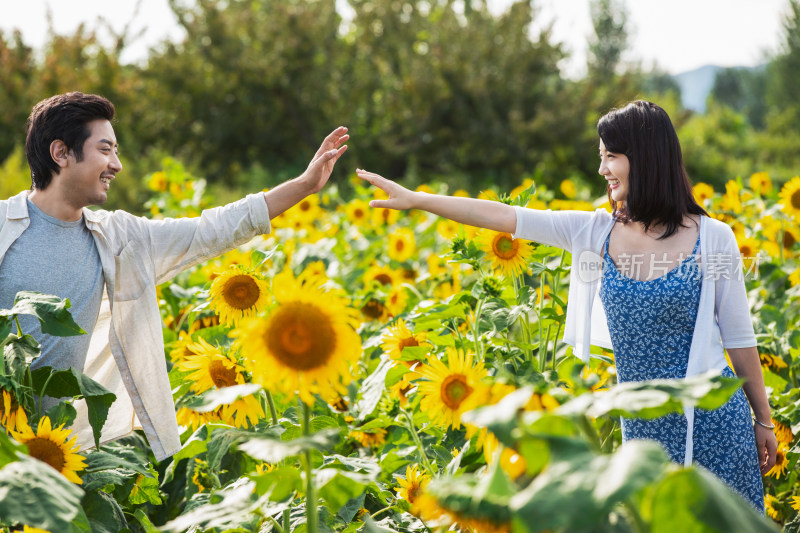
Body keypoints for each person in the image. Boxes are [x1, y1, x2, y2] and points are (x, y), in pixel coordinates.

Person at [356, 100, 776, 513]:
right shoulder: (594, 232)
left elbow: (739, 341)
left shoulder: (714, 239)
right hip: (644, 436)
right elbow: (506, 216)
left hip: (717, 427)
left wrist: (763, 420)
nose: (602, 169)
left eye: (611, 156)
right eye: (601, 157)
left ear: (646, 156)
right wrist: (419, 199)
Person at [0, 92, 348, 461]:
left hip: (57, 448)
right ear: (61, 153)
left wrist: (304, 186)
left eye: (116, 151)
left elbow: (209, 229)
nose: (116, 164)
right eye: (105, 150)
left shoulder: (119, 238)